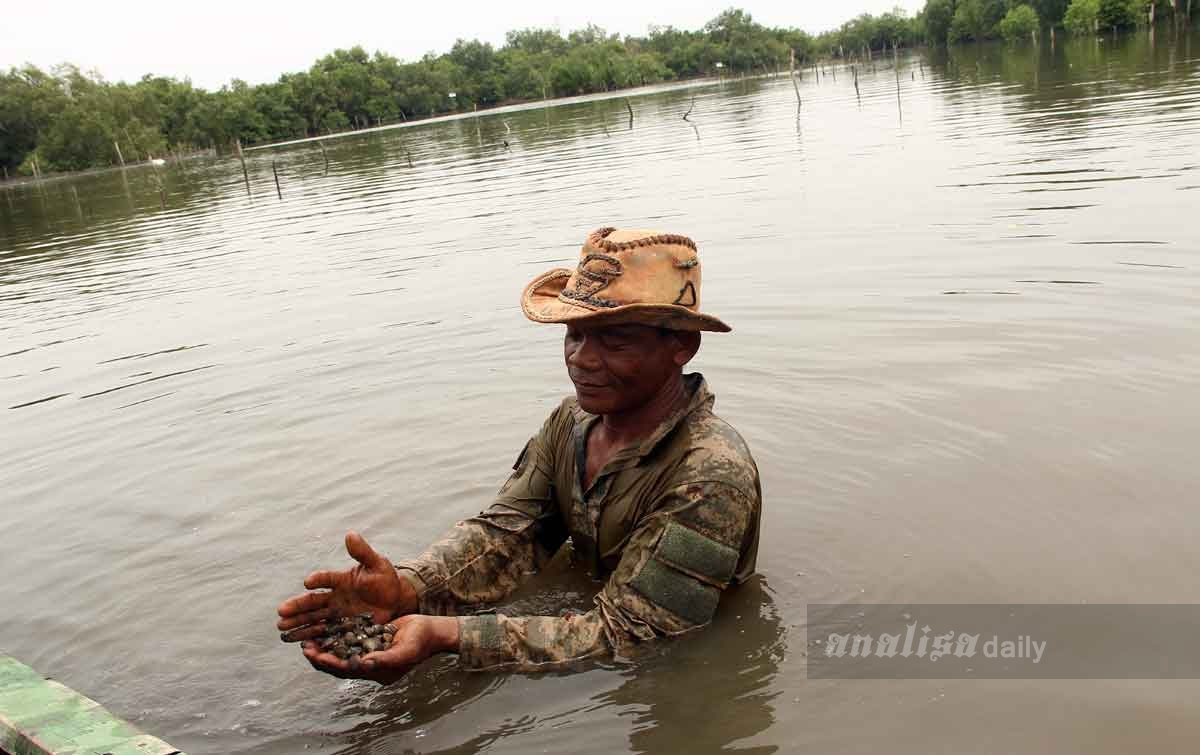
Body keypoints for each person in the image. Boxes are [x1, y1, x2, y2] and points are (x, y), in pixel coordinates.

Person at [276, 227, 763, 683]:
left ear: (682, 346)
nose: (581, 358)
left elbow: (637, 632)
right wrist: (407, 588)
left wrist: (446, 635)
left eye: (614, 340)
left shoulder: (711, 473)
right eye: (575, 334)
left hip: (672, 678)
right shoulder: (570, 424)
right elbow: (508, 534)